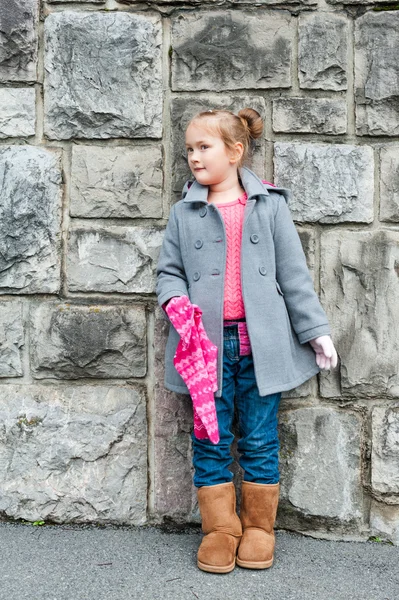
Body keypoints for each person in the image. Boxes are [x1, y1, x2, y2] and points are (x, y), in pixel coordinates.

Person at [156, 108, 338, 574]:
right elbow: (169, 273)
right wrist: (175, 302)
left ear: (236, 152)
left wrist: (315, 331)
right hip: (204, 351)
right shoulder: (184, 212)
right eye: (190, 149)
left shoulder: (270, 206)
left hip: (263, 347)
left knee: (259, 439)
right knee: (209, 440)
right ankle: (220, 529)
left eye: (205, 147)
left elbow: (294, 276)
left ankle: (259, 528)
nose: (195, 157)